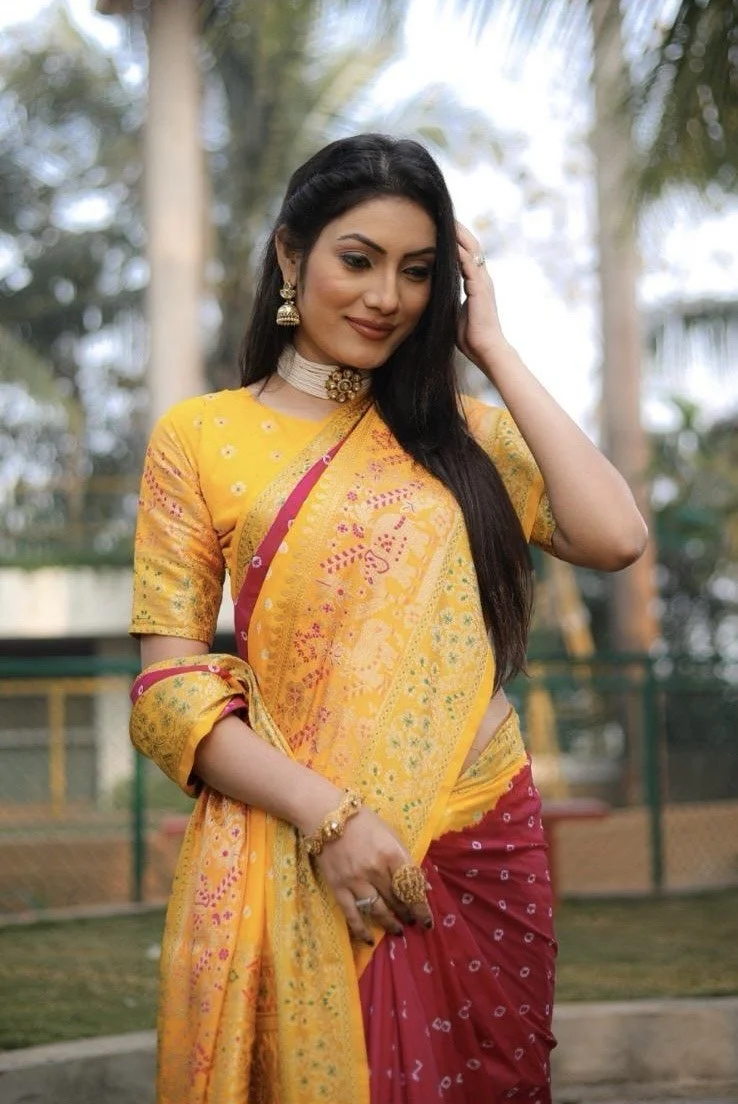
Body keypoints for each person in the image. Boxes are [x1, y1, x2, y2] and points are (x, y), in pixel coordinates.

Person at [129, 133, 647, 1104]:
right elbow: (167, 695)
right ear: (291, 255)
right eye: (358, 260)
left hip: (482, 838)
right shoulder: (202, 437)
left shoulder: (467, 437)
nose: (386, 297)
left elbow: (616, 535)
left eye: (417, 272)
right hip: (308, 839)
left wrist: (491, 348)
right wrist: (330, 820)